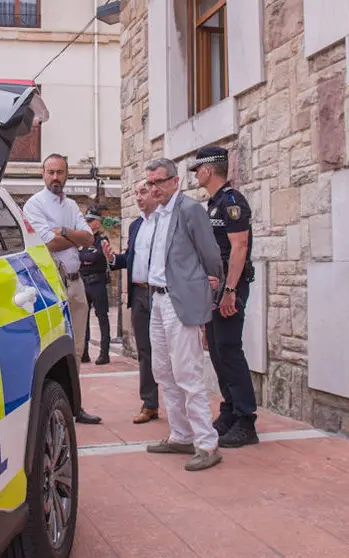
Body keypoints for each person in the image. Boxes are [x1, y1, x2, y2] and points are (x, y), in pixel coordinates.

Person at [140, 158, 225, 471]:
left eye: (159, 181)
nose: (154, 188)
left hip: (181, 301)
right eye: (150, 183)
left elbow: (211, 256)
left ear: (176, 181)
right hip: (158, 300)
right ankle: (180, 435)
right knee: (163, 371)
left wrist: (211, 287)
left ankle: (206, 443)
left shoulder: (190, 210)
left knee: (188, 372)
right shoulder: (157, 215)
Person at [23, 153, 102, 425]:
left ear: (67, 174)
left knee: (77, 348)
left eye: (60, 172)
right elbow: (47, 244)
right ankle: (53, 410)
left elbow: (89, 237)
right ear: (43, 174)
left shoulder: (71, 205)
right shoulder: (34, 205)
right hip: (52, 285)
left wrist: (63, 231)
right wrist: (73, 236)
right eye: (50, 172)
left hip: (76, 283)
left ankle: (74, 407)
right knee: (53, 349)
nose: (55, 177)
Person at [189, 145, 260, 448]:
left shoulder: (232, 201)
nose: (195, 175)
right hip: (216, 290)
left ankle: (247, 420)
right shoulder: (214, 204)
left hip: (230, 288)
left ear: (207, 169)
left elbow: (239, 247)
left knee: (230, 349)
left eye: (197, 170)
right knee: (218, 351)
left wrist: (230, 292)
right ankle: (230, 409)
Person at [103, 182, 160, 424]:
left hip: (161, 293)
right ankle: (150, 404)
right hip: (139, 294)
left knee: (169, 352)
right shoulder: (136, 225)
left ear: (157, 193)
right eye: (135, 192)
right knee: (145, 351)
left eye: (143, 192)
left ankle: (183, 407)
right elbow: (131, 258)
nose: (138, 197)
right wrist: (113, 258)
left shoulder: (165, 223)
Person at [79, 205, 112, 365]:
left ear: (98, 223)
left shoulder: (102, 240)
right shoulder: (83, 239)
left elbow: (96, 257)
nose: (88, 223)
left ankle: (104, 353)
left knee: (102, 317)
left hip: (97, 282)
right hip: (83, 281)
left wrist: (86, 257)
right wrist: (86, 257)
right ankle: (84, 352)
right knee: (83, 317)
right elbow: (79, 256)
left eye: (91, 221)